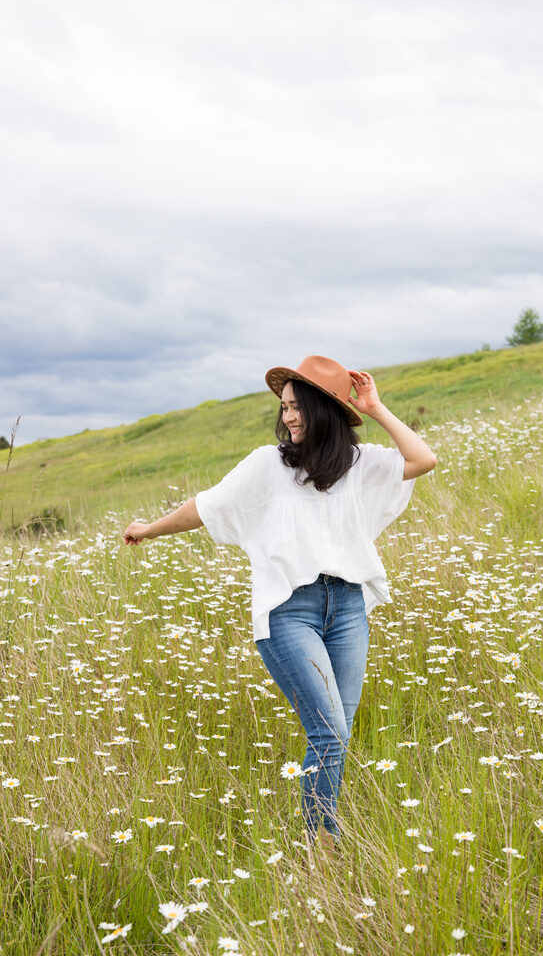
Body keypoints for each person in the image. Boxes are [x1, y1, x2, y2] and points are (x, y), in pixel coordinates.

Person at [122, 355, 436, 864]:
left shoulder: (360, 466)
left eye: (298, 407)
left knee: (339, 732)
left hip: (349, 608)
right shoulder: (267, 466)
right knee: (329, 733)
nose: (288, 416)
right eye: (284, 407)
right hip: (290, 613)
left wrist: (375, 407)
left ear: (323, 410)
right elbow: (206, 508)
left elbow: (423, 460)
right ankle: (322, 851)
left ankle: (321, 836)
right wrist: (148, 528)